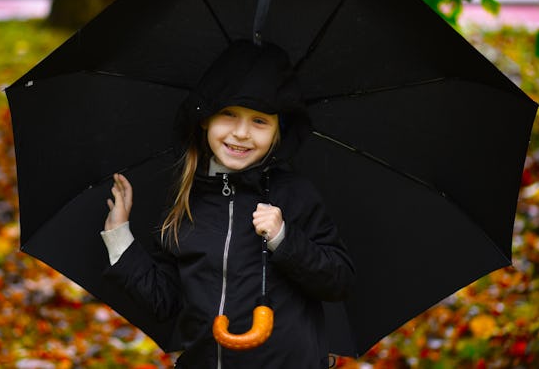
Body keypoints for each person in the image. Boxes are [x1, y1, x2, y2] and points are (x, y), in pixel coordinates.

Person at [100, 40, 355, 368]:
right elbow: (164, 301)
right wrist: (119, 236)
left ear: (279, 131)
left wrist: (284, 238)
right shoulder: (185, 200)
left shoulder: (295, 195)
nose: (241, 133)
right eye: (228, 114)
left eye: (260, 121)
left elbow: (339, 279)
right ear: (204, 118)